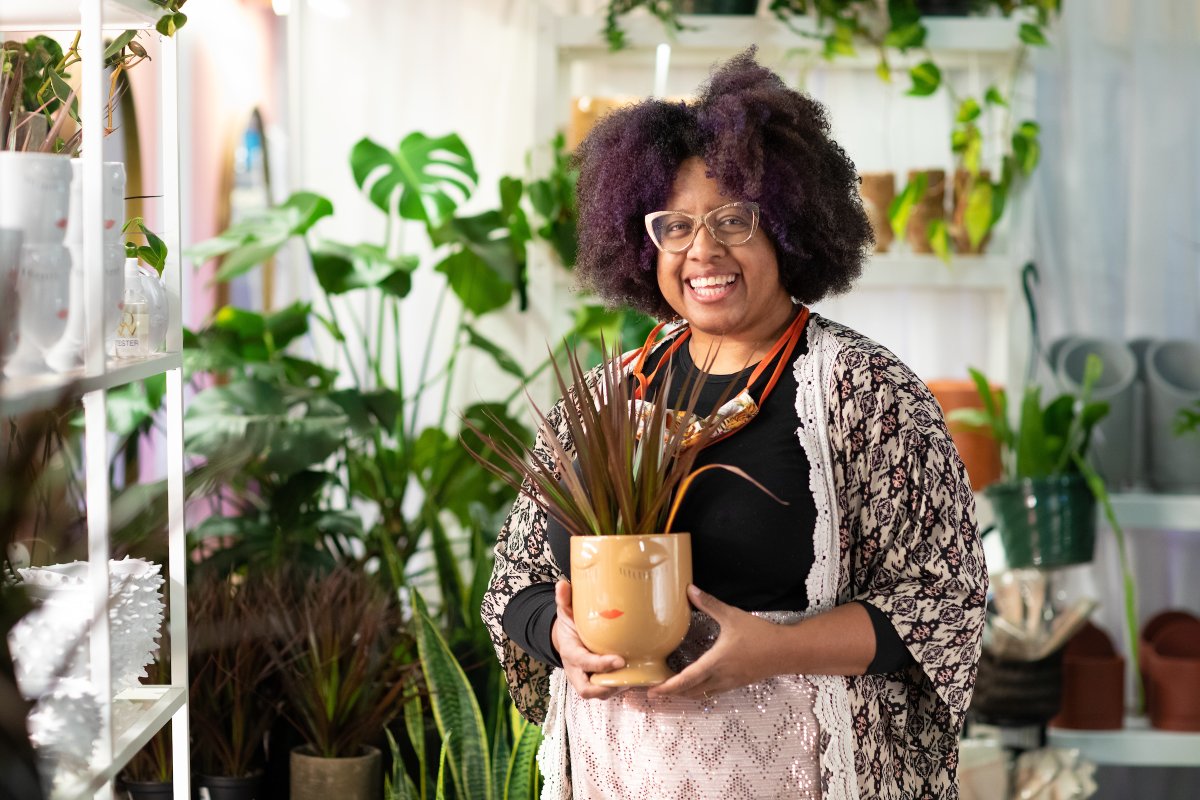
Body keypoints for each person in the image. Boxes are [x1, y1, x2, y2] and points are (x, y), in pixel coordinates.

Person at [480, 48, 987, 799]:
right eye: (674, 225)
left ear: (788, 227)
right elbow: (515, 585)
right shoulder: (605, 395)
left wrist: (775, 649)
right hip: (617, 775)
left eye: (732, 220)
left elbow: (944, 602)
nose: (702, 250)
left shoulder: (866, 394)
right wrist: (562, 638)